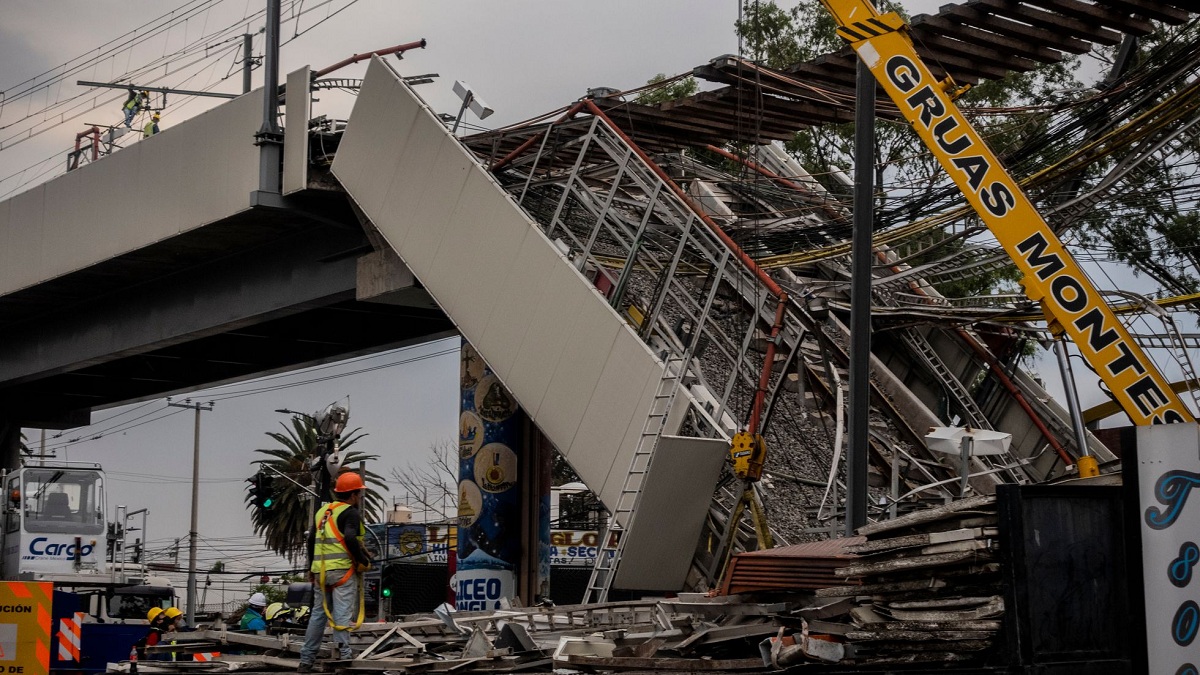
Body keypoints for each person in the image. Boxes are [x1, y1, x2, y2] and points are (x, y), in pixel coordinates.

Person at [298, 472, 372, 672]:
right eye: (359, 494)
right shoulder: (350, 512)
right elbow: (349, 538)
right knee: (341, 615)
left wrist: (311, 568)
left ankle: (306, 660)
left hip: (320, 572)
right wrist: (362, 560)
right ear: (354, 495)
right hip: (341, 571)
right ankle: (343, 657)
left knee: (318, 616)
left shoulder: (323, 512)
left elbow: (311, 540)